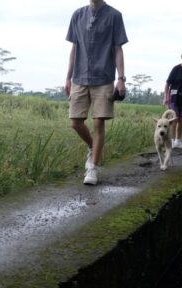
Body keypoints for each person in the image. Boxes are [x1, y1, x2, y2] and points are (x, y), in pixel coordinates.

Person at [65, 0, 128, 186]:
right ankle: (93, 147)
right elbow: (74, 48)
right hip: (79, 77)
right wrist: (67, 77)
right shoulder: (78, 14)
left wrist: (121, 78)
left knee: (98, 121)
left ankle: (93, 167)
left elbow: (118, 48)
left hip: (104, 77)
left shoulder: (114, 15)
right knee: (75, 122)